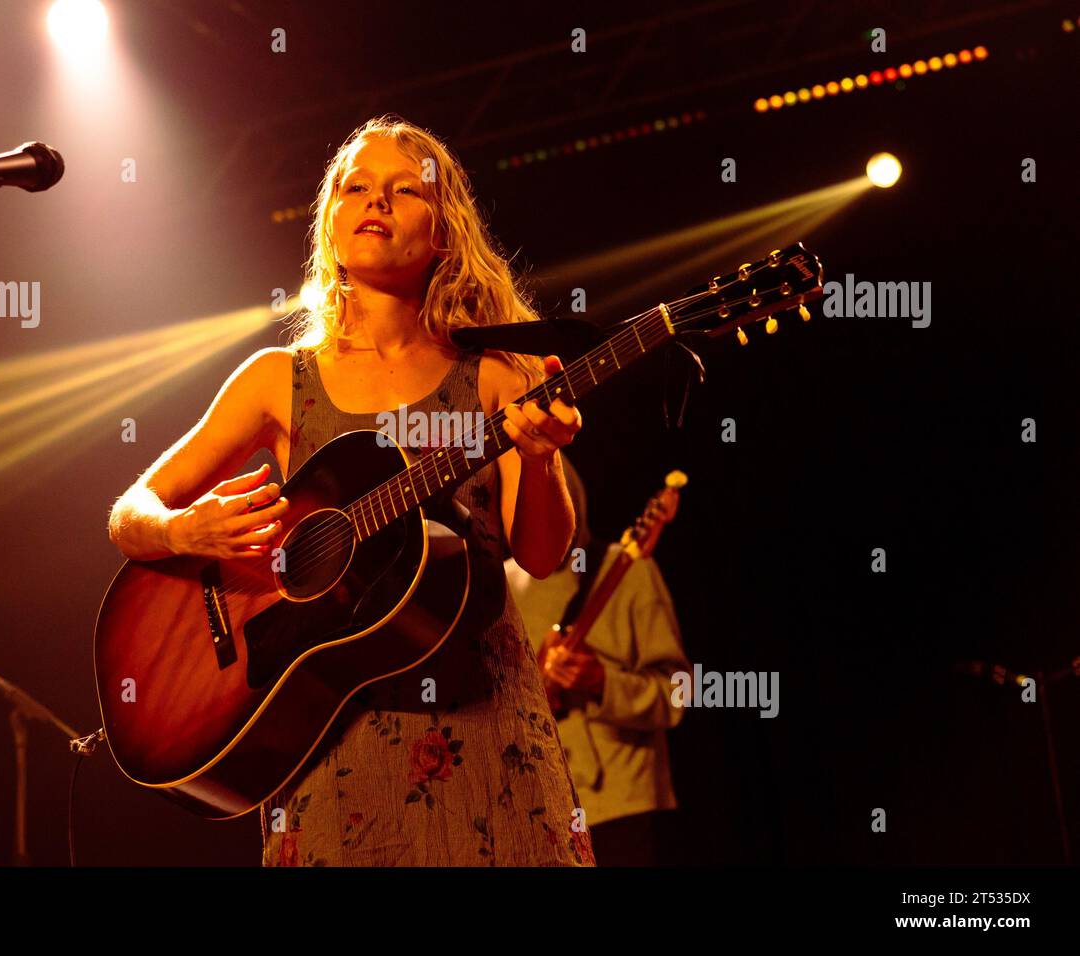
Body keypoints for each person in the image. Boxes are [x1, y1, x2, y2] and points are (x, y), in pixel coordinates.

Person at [108, 115, 596, 866]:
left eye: (405, 190)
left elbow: (541, 552)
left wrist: (538, 461)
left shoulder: (500, 375)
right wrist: (182, 532)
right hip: (325, 738)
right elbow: (129, 514)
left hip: (484, 721)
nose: (377, 200)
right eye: (355, 187)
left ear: (443, 233)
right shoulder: (278, 380)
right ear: (330, 224)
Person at [505, 455, 689, 866]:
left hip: (625, 808)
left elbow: (677, 693)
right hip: (540, 812)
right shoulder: (497, 591)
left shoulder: (630, 570)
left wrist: (603, 683)